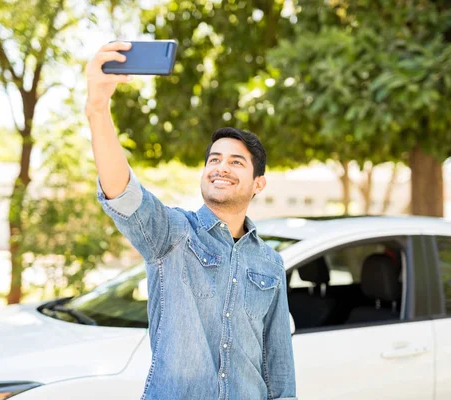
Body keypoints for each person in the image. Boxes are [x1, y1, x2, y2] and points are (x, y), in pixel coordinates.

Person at [86, 40, 296, 400]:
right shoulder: (172, 234)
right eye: (214, 159)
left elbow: (278, 367)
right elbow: (123, 194)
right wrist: (97, 108)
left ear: (258, 183)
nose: (221, 167)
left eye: (236, 162)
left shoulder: (270, 263)